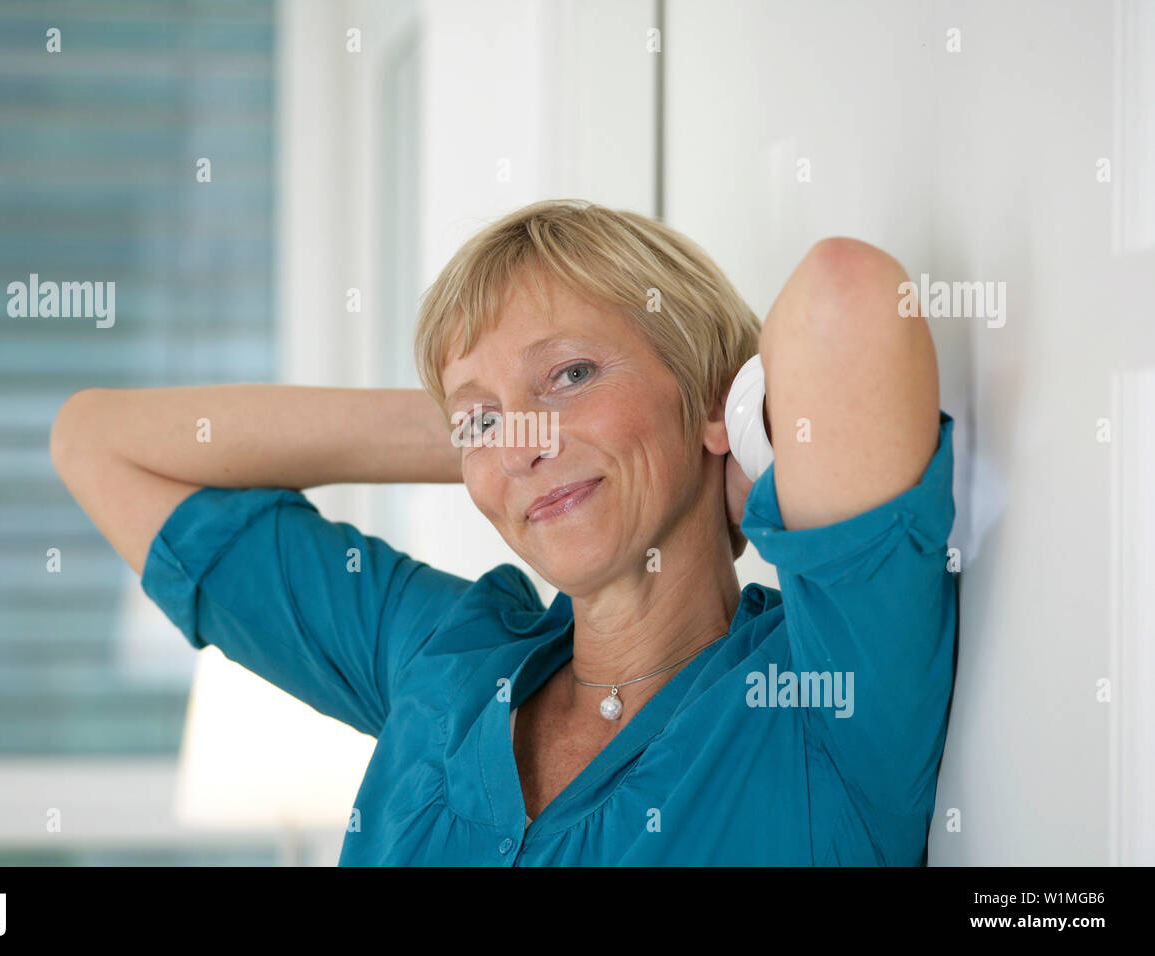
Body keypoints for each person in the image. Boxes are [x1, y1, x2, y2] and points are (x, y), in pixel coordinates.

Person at [50, 199, 956, 865]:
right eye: (478, 419)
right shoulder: (441, 661)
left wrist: (731, 425)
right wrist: (502, 438)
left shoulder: (823, 701)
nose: (520, 438)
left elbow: (849, 299)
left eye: (569, 373)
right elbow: (98, 444)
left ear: (717, 399)